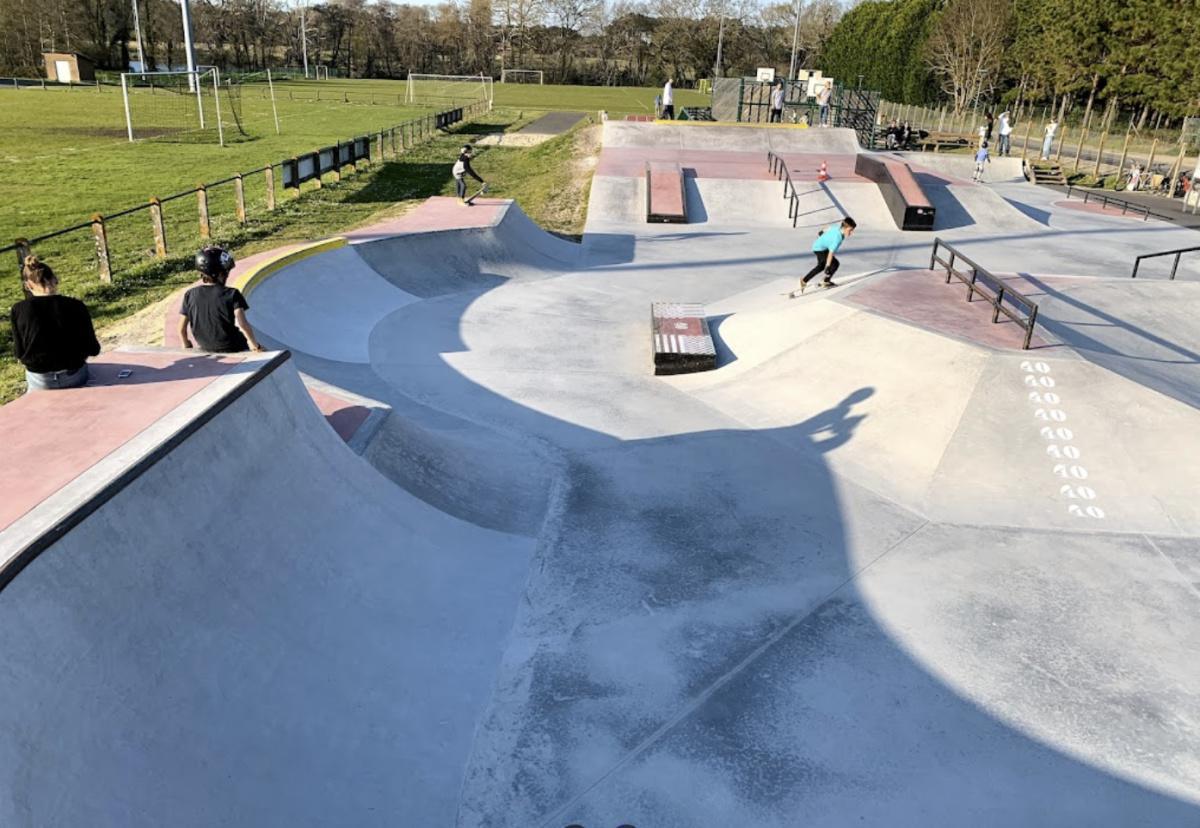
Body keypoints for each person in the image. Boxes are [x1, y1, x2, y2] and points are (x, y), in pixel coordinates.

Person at [10, 255, 100, 392]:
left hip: (40, 378)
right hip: (74, 374)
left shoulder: (18, 309)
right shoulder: (76, 305)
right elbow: (93, 349)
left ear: (28, 285)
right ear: (55, 279)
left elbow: (19, 351)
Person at [178, 246, 264, 353]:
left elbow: (181, 329)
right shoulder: (232, 294)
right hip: (233, 346)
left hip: (205, 346)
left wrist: (186, 343)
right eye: (226, 272)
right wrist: (256, 346)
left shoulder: (190, 294)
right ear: (220, 274)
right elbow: (243, 324)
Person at [789, 216, 857, 297]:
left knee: (822, 265)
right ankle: (821, 281)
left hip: (820, 246)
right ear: (844, 228)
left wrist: (821, 232)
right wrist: (828, 267)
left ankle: (808, 281)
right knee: (833, 264)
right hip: (819, 249)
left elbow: (828, 228)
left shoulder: (837, 227)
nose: (851, 233)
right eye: (850, 230)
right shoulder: (837, 239)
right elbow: (830, 254)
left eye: (852, 230)